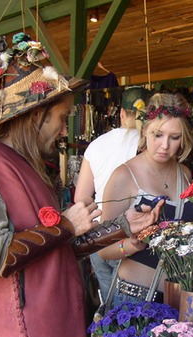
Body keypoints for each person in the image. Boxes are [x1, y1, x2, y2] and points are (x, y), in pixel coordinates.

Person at [0, 33, 163, 337]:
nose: (65, 129)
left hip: (51, 335)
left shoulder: (24, 163)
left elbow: (55, 251)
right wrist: (63, 225)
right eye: (61, 118)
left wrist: (123, 227)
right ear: (34, 114)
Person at [98, 93, 193, 305]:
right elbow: (103, 250)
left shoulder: (185, 174)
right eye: (158, 135)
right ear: (145, 130)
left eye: (174, 138)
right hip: (135, 299)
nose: (165, 145)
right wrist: (133, 244)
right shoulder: (124, 176)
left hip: (178, 300)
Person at [74, 86, 149, 303]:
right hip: (131, 236)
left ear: (122, 113)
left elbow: (81, 199)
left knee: (109, 304)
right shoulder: (149, 146)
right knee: (133, 310)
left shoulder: (96, 145)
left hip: (99, 237)